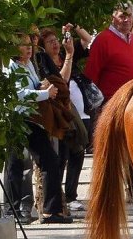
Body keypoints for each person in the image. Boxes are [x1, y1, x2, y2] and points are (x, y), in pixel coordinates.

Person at [84, 1, 133, 202]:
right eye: (122, 15)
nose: (127, 19)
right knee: (114, 148)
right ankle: (123, 189)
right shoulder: (103, 40)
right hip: (112, 103)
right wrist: (95, 107)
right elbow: (91, 75)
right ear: (113, 16)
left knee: (131, 145)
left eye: (129, 15)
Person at [4, 35, 72, 224]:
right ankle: (12, 210)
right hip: (18, 119)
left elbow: (32, 86)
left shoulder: (29, 65)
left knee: (49, 160)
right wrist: (44, 92)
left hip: (33, 119)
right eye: (23, 45)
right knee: (14, 164)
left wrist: (43, 86)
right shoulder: (10, 67)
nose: (29, 48)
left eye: (30, 44)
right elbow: (17, 94)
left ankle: (51, 211)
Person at [35, 25, 92, 210]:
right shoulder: (42, 60)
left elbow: (88, 40)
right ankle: (58, 197)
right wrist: (69, 57)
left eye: (56, 40)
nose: (55, 44)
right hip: (57, 112)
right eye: (50, 42)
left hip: (72, 111)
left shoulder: (64, 54)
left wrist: (74, 28)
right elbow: (60, 82)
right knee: (60, 155)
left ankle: (69, 195)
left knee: (78, 147)